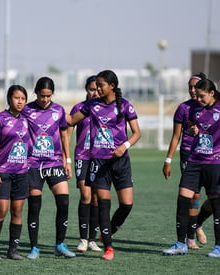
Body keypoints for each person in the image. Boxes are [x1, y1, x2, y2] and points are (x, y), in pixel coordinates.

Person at [163, 79, 220, 258]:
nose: (197, 99)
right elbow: (191, 129)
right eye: (196, 95)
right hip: (194, 161)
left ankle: (218, 247)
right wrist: (192, 131)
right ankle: (181, 243)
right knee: (183, 200)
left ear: (212, 93)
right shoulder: (192, 109)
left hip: (215, 163)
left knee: (216, 203)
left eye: (201, 96)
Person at [67, 70, 141, 260]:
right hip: (98, 163)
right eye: (96, 85)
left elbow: (136, 133)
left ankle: (109, 231)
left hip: (120, 161)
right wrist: (52, 111)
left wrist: (124, 146)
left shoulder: (125, 106)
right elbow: (71, 120)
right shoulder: (92, 105)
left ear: (112, 86)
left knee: (127, 204)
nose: (97, 89)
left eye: (100, 85)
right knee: (102, 206)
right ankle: (108, 247)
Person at [21, 76, 76, 260]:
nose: (45, 99)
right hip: (33, 165)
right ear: (36, 92)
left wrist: (67, 160)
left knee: (64, 202)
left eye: (48, 96)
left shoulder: (58, 110)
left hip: (54, 163)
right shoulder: (27, 109)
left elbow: (64, 135)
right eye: (42, 95)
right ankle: (34, 248)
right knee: (34, 206)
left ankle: (59, 244)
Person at [162, 72, 212, 249]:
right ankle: (190, 237)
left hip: (210, 156)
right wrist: (168, 160)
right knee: (194, 194)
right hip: (189, 155)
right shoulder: (183, 108)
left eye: (196, 87)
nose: (192, 90)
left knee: (214, 199)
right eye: (189, 87)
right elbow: (176, 136)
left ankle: (197, 223)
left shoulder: (214, 107)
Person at [0, 85, 30, 261]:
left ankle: (13, 250)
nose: (19, 102)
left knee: (18, 211)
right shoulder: (0, 119)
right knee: (1, 211)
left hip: (21, 173)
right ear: (9, 99)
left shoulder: (27, 118)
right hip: (2, 173)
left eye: (22, 99)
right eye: (16, 98)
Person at [67, 75, 102, 252]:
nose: (95, 92)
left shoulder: (105, 108)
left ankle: (93, 240)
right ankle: (82, 239)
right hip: (82, 156)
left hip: (100, 157)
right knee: (86, 196)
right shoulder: (79, 108)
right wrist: (66, 159)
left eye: (97, 89)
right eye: (91, 89)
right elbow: (67, 133)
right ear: (86, 89)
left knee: (96, 198)